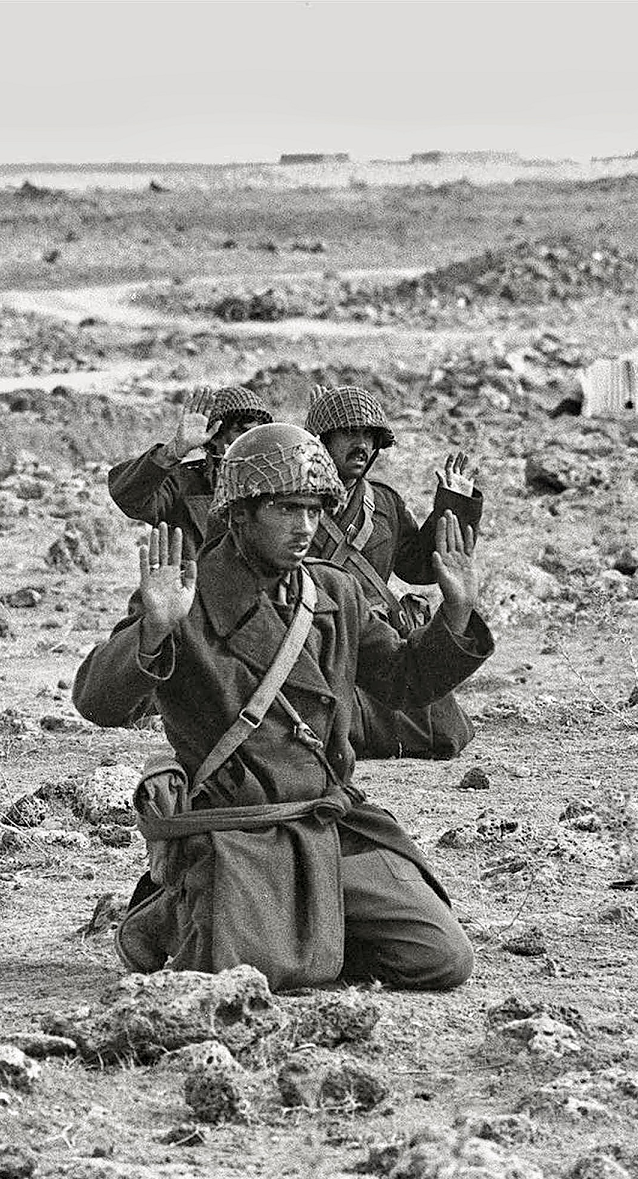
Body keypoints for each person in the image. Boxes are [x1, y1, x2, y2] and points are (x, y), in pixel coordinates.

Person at [74, 424, 493, 990]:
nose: (304, 528)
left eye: (316, 510)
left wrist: (457, 614)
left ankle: (312, 929)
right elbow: (97, 702)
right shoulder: (185, 597)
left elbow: (402, 682)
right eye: (286, 509)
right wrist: (153, 630)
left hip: (327, 819)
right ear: (240, 513)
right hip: (239, 830)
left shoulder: (333, 592)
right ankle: (174, 914)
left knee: (441, 958)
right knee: (252, 976)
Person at [304, 384, 485, 760]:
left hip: (375, 642)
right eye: (350, 433)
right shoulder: (296, 501)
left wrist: (452, 506)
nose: (362, 445)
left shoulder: (383, 501)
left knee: (445, 731)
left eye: (369, 436)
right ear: (322, 441)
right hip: (317, 640)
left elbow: (416, 566)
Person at [106, 385, 272, 555]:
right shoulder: (182, 483)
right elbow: (129, 497)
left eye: (258, 433)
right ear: (215, 438)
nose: (251, 441)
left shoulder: (275, 484)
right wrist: (172, 451)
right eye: (240, 432)